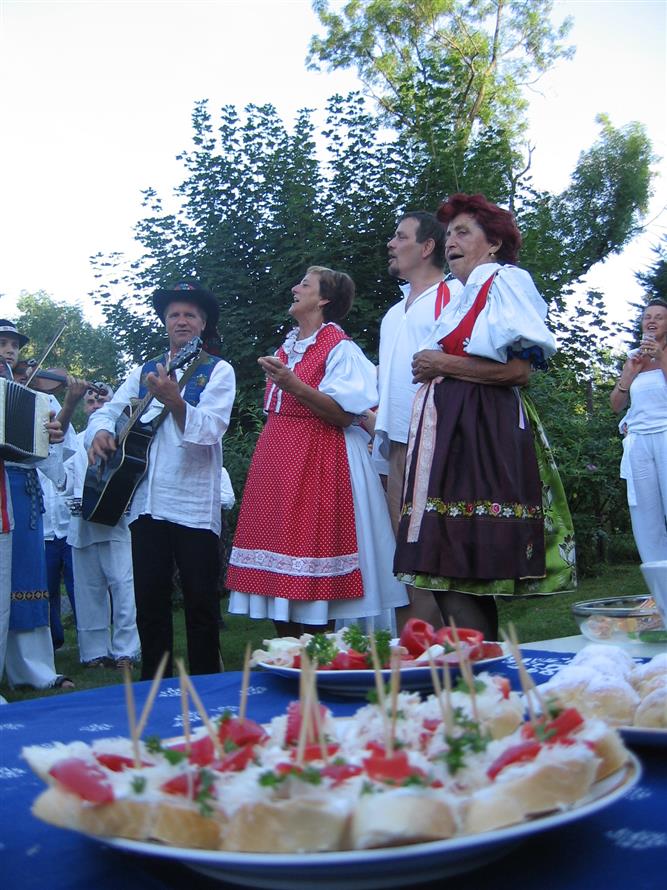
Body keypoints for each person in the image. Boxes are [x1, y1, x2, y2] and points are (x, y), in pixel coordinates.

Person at [393, 193, 575, 640]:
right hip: (452, 435)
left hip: (481, 432)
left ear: (493, 243)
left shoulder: (505, 281)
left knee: (462, 562)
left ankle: (479, 665)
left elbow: (517, 372)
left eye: (463, 232)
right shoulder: (463, 295)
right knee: (448, 565)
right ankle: (475, 665)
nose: (450, 242)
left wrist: (441, 363)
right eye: (448, 234)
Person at [226, 266, 408, 635]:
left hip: (321, 458)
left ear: (324, 299)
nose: (295, 288)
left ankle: (319, 647)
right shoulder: (287, 348)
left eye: (305, 284)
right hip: (279, 461)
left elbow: (343, 414)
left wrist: (293, 384)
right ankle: (290, 649)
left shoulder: (340, 348)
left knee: (314, 553)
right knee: (279, 559)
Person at [87, 280, 235, 679]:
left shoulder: (217, 370)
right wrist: (100, 431)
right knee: (150, 602)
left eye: (190, 315)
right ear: (165, 322)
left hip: (193, 501)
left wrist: (175, 400)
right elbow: (108, 410)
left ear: (203, 323)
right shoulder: (144, 370)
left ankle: (207, 686)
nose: (181, 321)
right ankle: (154, 687)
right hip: (145, 501)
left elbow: (211, 429)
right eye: (174, 315)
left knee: (201, 602)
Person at [374, 212, 462, 630]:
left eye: (400, 236)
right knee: (404, 555)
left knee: (434, 548)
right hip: (395, 443)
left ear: (427, 247)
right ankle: (417, 648)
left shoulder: (455, 296)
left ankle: (445, 647)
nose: (391, 244)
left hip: (437, 441)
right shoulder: (393, 313)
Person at [0, 320, 73, 689]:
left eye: (14, 344)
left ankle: (33, 669)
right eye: (2, 343)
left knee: (27, 580)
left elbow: (46, 459)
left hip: (24, 489)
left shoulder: (33, 397)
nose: (10, 350)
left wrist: (51, 437)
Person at [65, 383, 141, 669]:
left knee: (122, 585)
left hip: (116, 521)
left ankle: (126, 651)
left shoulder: (122, 437)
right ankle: (94, 652)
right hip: (82, 523)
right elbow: (64, 481)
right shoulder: (75, 441)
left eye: (102, 400)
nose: (96, 405)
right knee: (87, 588)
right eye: (90, 401)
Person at [610, 299, 667, 561]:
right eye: (647, 317)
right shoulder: (634, 356)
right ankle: (659, 579)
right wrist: (627, 376)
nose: (652, 321)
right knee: (645, 516)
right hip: (639, 441)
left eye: (659, 317)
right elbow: (616, 405)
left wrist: (661, 356)